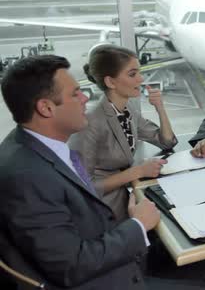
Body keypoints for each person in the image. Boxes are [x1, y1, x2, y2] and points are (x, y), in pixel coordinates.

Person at [0, 55, 159, 289]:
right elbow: (72, 266)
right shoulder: (27, 176)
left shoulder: (31, 148)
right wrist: (137, 225)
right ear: (46, 108)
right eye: (75, 94)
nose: (85, 98)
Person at [69, 45, 177, 221]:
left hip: (127, 198)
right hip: (103, 211)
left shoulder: (127, 110)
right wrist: (137, 172)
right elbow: (82, 187)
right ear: (110, 82)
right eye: (132, 74)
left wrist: (160, 108)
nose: (141, 79)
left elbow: (166, 142)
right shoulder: (90, 122)